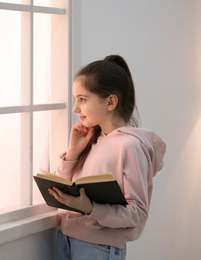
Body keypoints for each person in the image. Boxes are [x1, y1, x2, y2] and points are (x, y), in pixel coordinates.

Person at [48, 54, 166, 260]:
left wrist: (90, 208)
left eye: (82, 100)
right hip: (66, 239)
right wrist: (73, 153)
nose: (75, 108)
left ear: (110, 102)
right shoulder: (91, 138)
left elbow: (137, 213)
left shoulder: (130, 146)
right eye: (75, 99)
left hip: (98, 247)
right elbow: (58, 191)